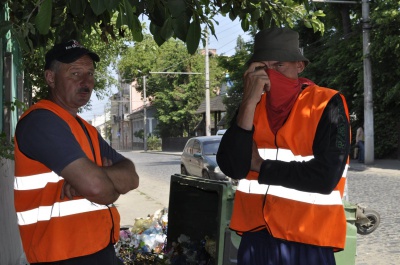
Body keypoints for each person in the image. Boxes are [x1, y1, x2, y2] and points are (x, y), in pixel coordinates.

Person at [216, 28, 351, 265]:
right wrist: (248, 102)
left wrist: (259, 165)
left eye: (279, 66)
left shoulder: (327, 103)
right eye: (261, 68)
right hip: (257, 237)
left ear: (299, 66)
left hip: (308, 239)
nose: (269, 75)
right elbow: (232, 167)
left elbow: (324, 177)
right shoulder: (252, 106)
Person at [14, 40, 140, 264]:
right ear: (50, 78)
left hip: (99, 250)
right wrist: (104, 183)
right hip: (61, 256)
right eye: (75, 73)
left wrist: (101, 176)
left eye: (90, 73)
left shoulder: (86, 128)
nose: (86, 82)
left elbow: (131, 176)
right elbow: (100, 190)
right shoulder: (41, 122)